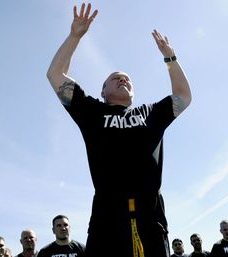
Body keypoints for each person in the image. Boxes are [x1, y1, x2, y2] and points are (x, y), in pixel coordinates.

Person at [46, 2, 191, 257]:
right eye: (116, 78)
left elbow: (183, 96)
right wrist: (75, 36)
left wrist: (170, 58)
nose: (123, 79)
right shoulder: (92, 112)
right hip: (107, 215)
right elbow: (56, 74)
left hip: (150, 214)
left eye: (127, 79)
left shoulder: (150, 113)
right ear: (103, 92)